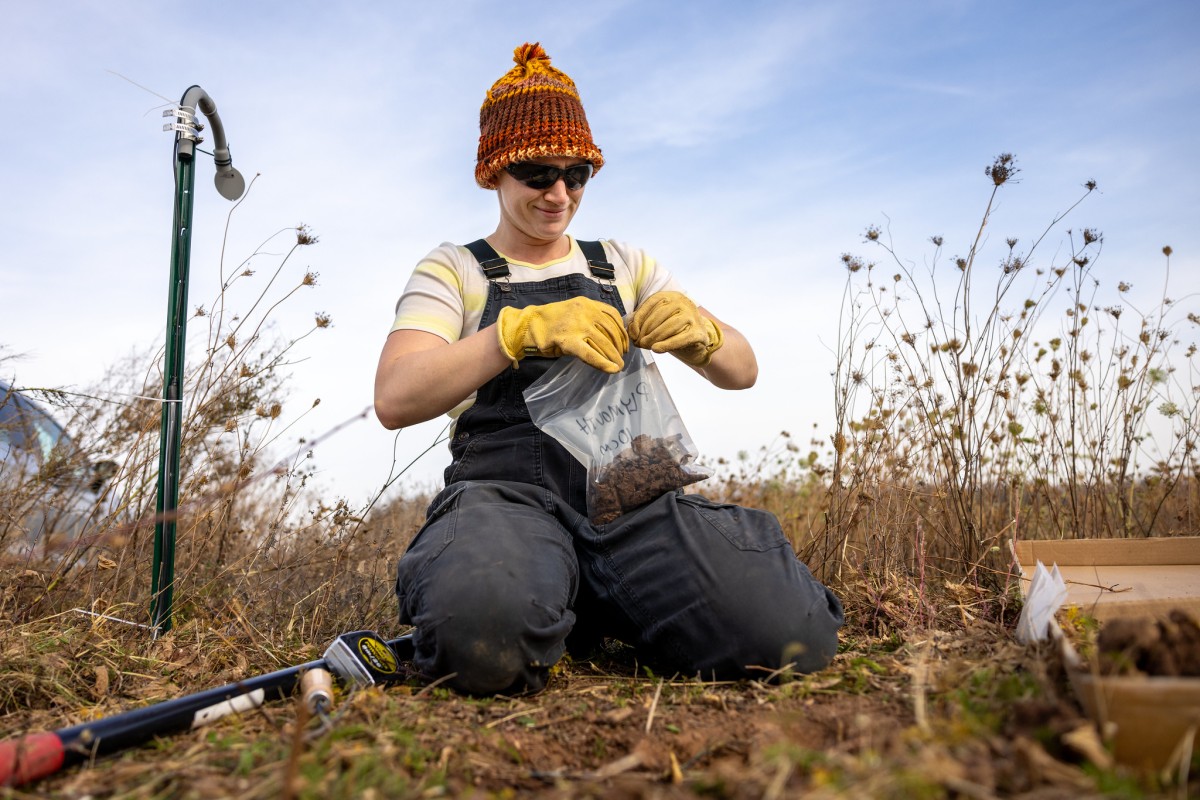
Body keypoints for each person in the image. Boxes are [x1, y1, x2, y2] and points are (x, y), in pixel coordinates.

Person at [375, 42, 843, 695]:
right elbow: (396, 397)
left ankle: (588, 599)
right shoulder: (453, 269)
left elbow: (742, 371)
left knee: (792, 635)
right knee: (478, 632)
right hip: (507, 498)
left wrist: (703, 334)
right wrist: (514, 333)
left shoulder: (623, 265)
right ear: (494, 173)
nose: (559, 192)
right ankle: (538, 594)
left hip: (634, 501)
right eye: (537, 172)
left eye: (578, 173)